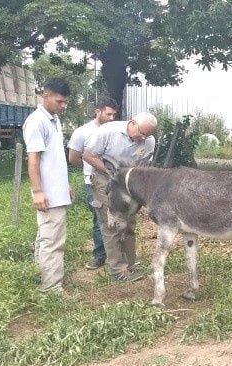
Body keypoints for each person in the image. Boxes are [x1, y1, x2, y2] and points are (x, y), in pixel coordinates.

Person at [82, 112, 157, 282]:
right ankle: (117, 270)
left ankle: (131, 264)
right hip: (105, 176)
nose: (143, 138)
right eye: (141, 133)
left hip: (129, 181)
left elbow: (145, 164)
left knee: (129, 223)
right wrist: (110, 172)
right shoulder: (108, 131)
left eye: (147, 135)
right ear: (132, 123)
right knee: (111, 224)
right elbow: (87, 155)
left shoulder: (149, 141)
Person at [23, 78, 72, 293]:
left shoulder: (53, 119)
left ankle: (40, 275)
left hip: (57, 191)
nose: (63, 106)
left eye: (64, 102)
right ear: (45, 96)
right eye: (59, 101)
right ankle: (51, 288)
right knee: (53, 241)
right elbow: (33, 159)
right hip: (48, 194)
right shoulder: (37, 122)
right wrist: (38, 191)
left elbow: (55, 159)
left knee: (46, 236)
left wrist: (66, 184)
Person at [67, 98, 118, 270]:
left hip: (115, 182)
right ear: (98, 111)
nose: (112, 118)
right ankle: (99, 255)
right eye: (108, 113)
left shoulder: (114, 131)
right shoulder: (83, 132)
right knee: (99, 219)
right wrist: (91, 168)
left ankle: (117, 254)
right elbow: (73, 158)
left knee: (117, 216)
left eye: (114, 115)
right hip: (93, 183)